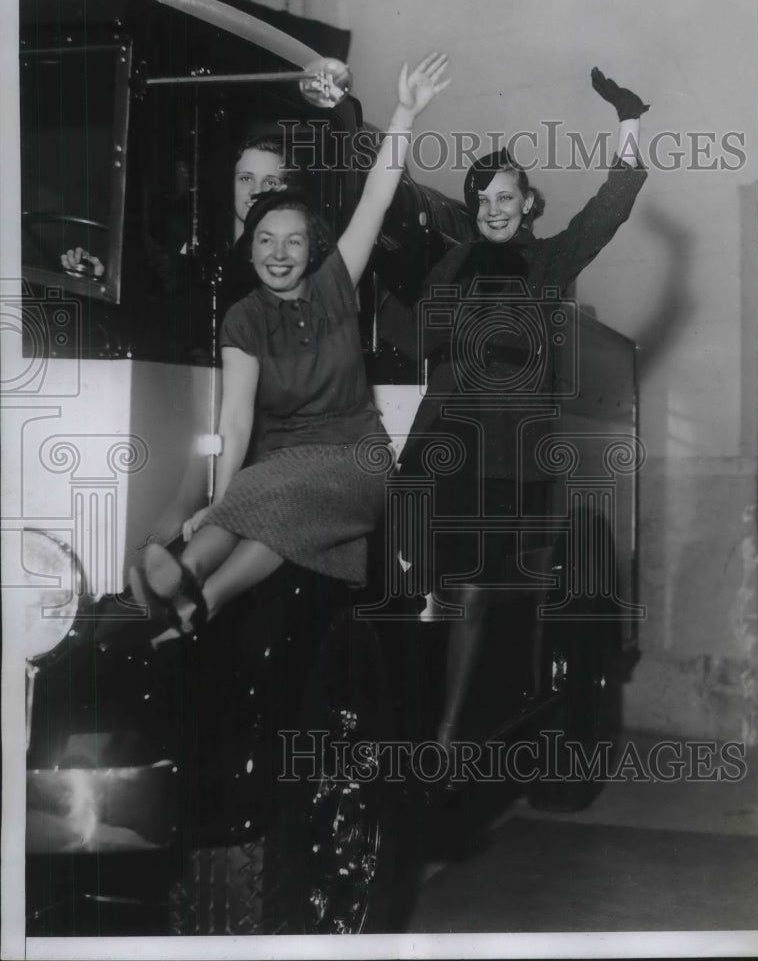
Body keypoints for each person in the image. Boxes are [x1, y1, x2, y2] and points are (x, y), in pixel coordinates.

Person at [128, 53, 451, 634]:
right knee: (263, 498)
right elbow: (234, 421)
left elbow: (375, 200)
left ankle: (199, 589)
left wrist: (404, 115)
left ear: (312, 248)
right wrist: (217, 500)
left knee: (272, 493)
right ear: (250, 251)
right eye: (266, 242)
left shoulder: (335, 284)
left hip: (355, 459)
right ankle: (188, 591)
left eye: (293, 242)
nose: (279, 254)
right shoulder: (243, 319)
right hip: (283, 467)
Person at [379, 67, 650, 753]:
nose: (494, 209)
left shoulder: (548, 263)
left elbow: (610, 209)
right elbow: (413, 336)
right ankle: (407, 720)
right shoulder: (454, 264)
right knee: (407, 578)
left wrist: (628, 122)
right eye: (483, 199)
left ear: (528, 204)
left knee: (472, 592)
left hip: (502, 456)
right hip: (439, 444)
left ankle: (448, 734)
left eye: (506, 197)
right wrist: (367, 273)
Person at [59, 134, 292, 281]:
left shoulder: (288, 261)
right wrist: (100, 273)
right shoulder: (196, 242)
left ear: (283, 190)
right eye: (246, 178)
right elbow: (154, 282)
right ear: (229, 183)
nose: (256, 190)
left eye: (270, 182)